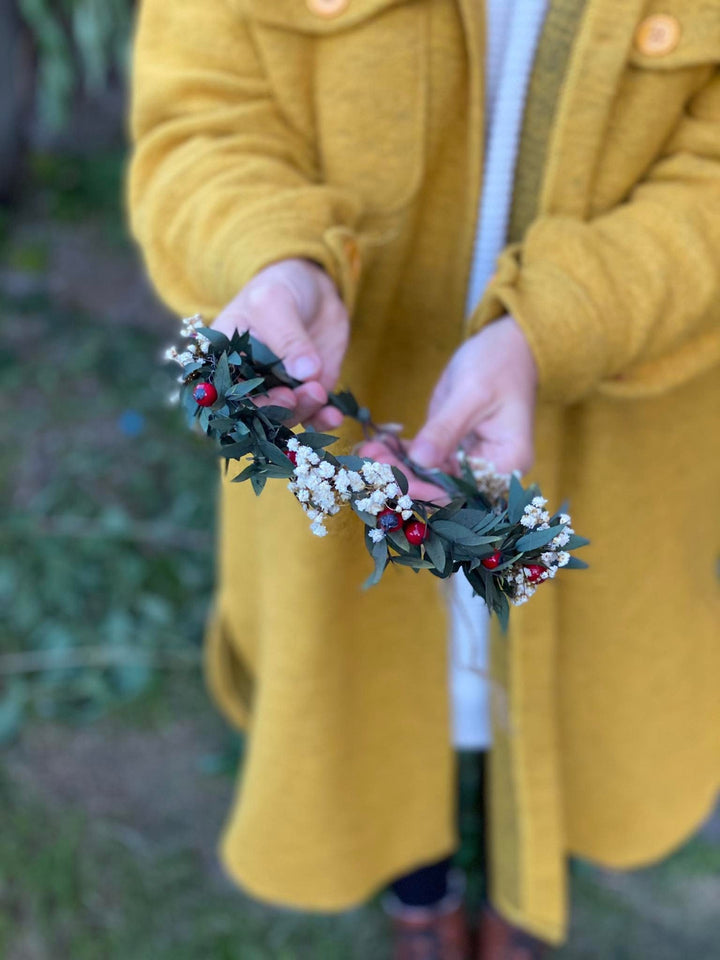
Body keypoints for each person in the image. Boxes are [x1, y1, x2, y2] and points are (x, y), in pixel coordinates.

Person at [128, 1, 720, 958]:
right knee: (373, 692)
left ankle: (524, 896)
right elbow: (202, 112)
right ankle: (423, 898)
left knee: (570, 679)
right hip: (347, 441)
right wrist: (271, 257)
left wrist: (560, 325)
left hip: (616, 437)